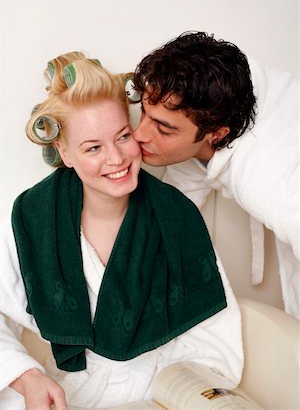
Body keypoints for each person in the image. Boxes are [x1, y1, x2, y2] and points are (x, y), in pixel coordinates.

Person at [0, 52, 243, 409]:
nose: (116, 159)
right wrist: (27, 377)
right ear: (64, 152)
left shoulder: (176, 215)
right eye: (93, 147)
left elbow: (214, 339)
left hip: (157, 392)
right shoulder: (31, 217)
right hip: (64, 393)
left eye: (123, 136)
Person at [132, 31, 299, 320]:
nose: (139, 134)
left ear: (216, 136)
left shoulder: (270, 185)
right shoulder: (215, 80)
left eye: (163, 128)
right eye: (144, 112)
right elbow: (169, 215)